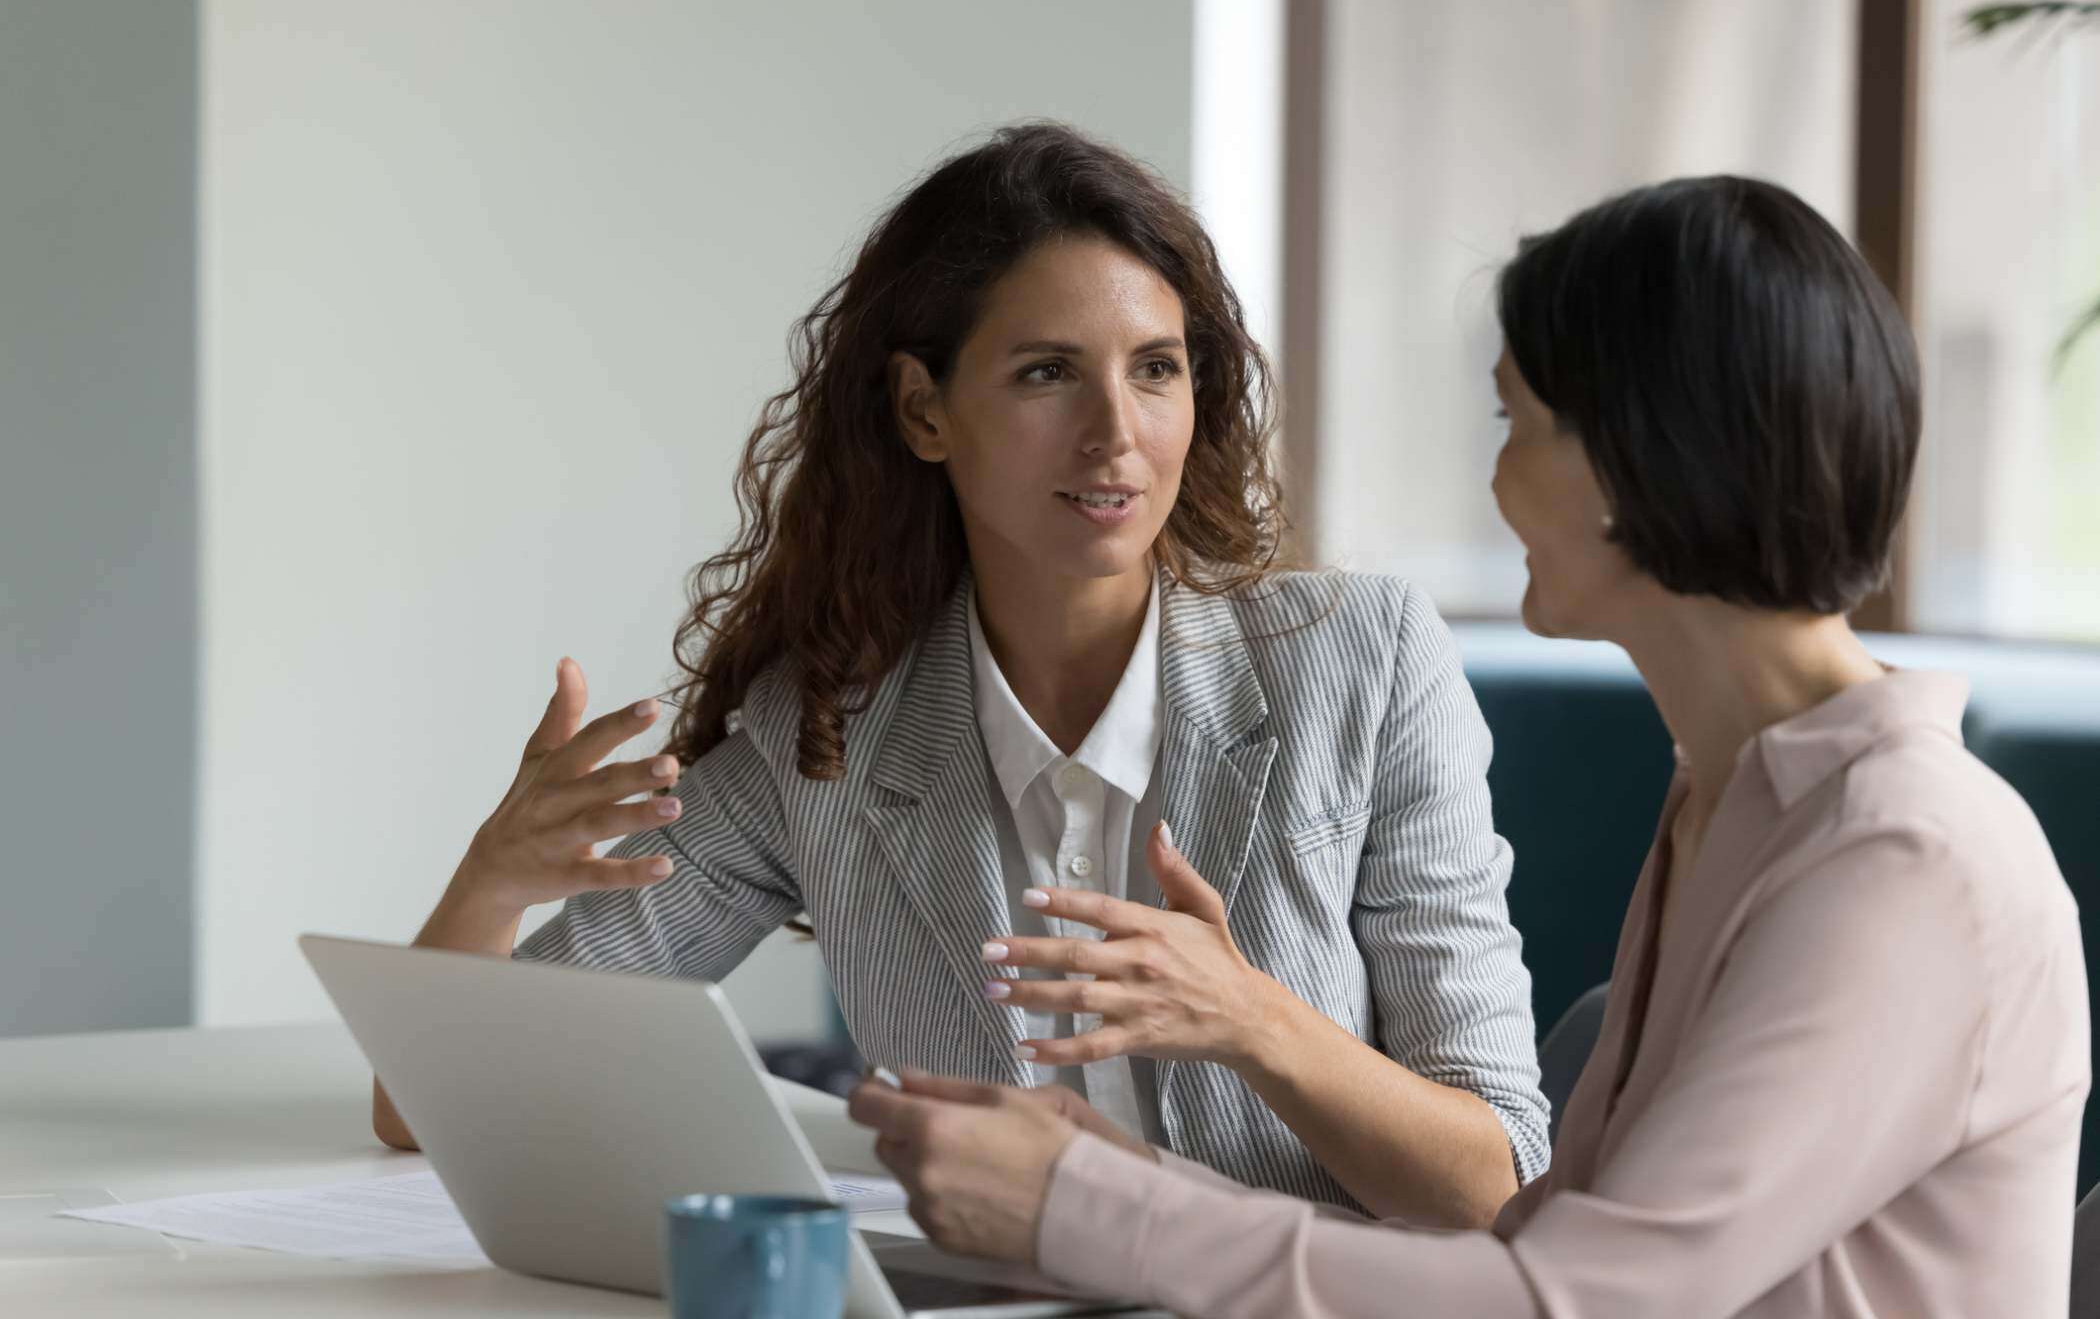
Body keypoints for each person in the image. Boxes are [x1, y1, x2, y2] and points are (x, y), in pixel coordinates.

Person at [849, 174, 2091, 1317]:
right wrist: (1113, 1175)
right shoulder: (1736, 800)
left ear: (1635, 459)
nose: (1495, 479)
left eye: (1518, 420)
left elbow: (1577, 1299)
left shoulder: (1903, 856)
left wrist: (1093, 1204)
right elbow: (1530, 1246)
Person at [372, 122, 1550, 1225]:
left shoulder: (1363, 659)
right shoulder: (824, 734)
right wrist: (492, 880)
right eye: (1047, 373)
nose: (1115, 432)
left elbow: (1500, 1181)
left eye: (1156, 368)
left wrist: (1257, 1024)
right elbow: (430, 1106)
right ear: (922, 409)